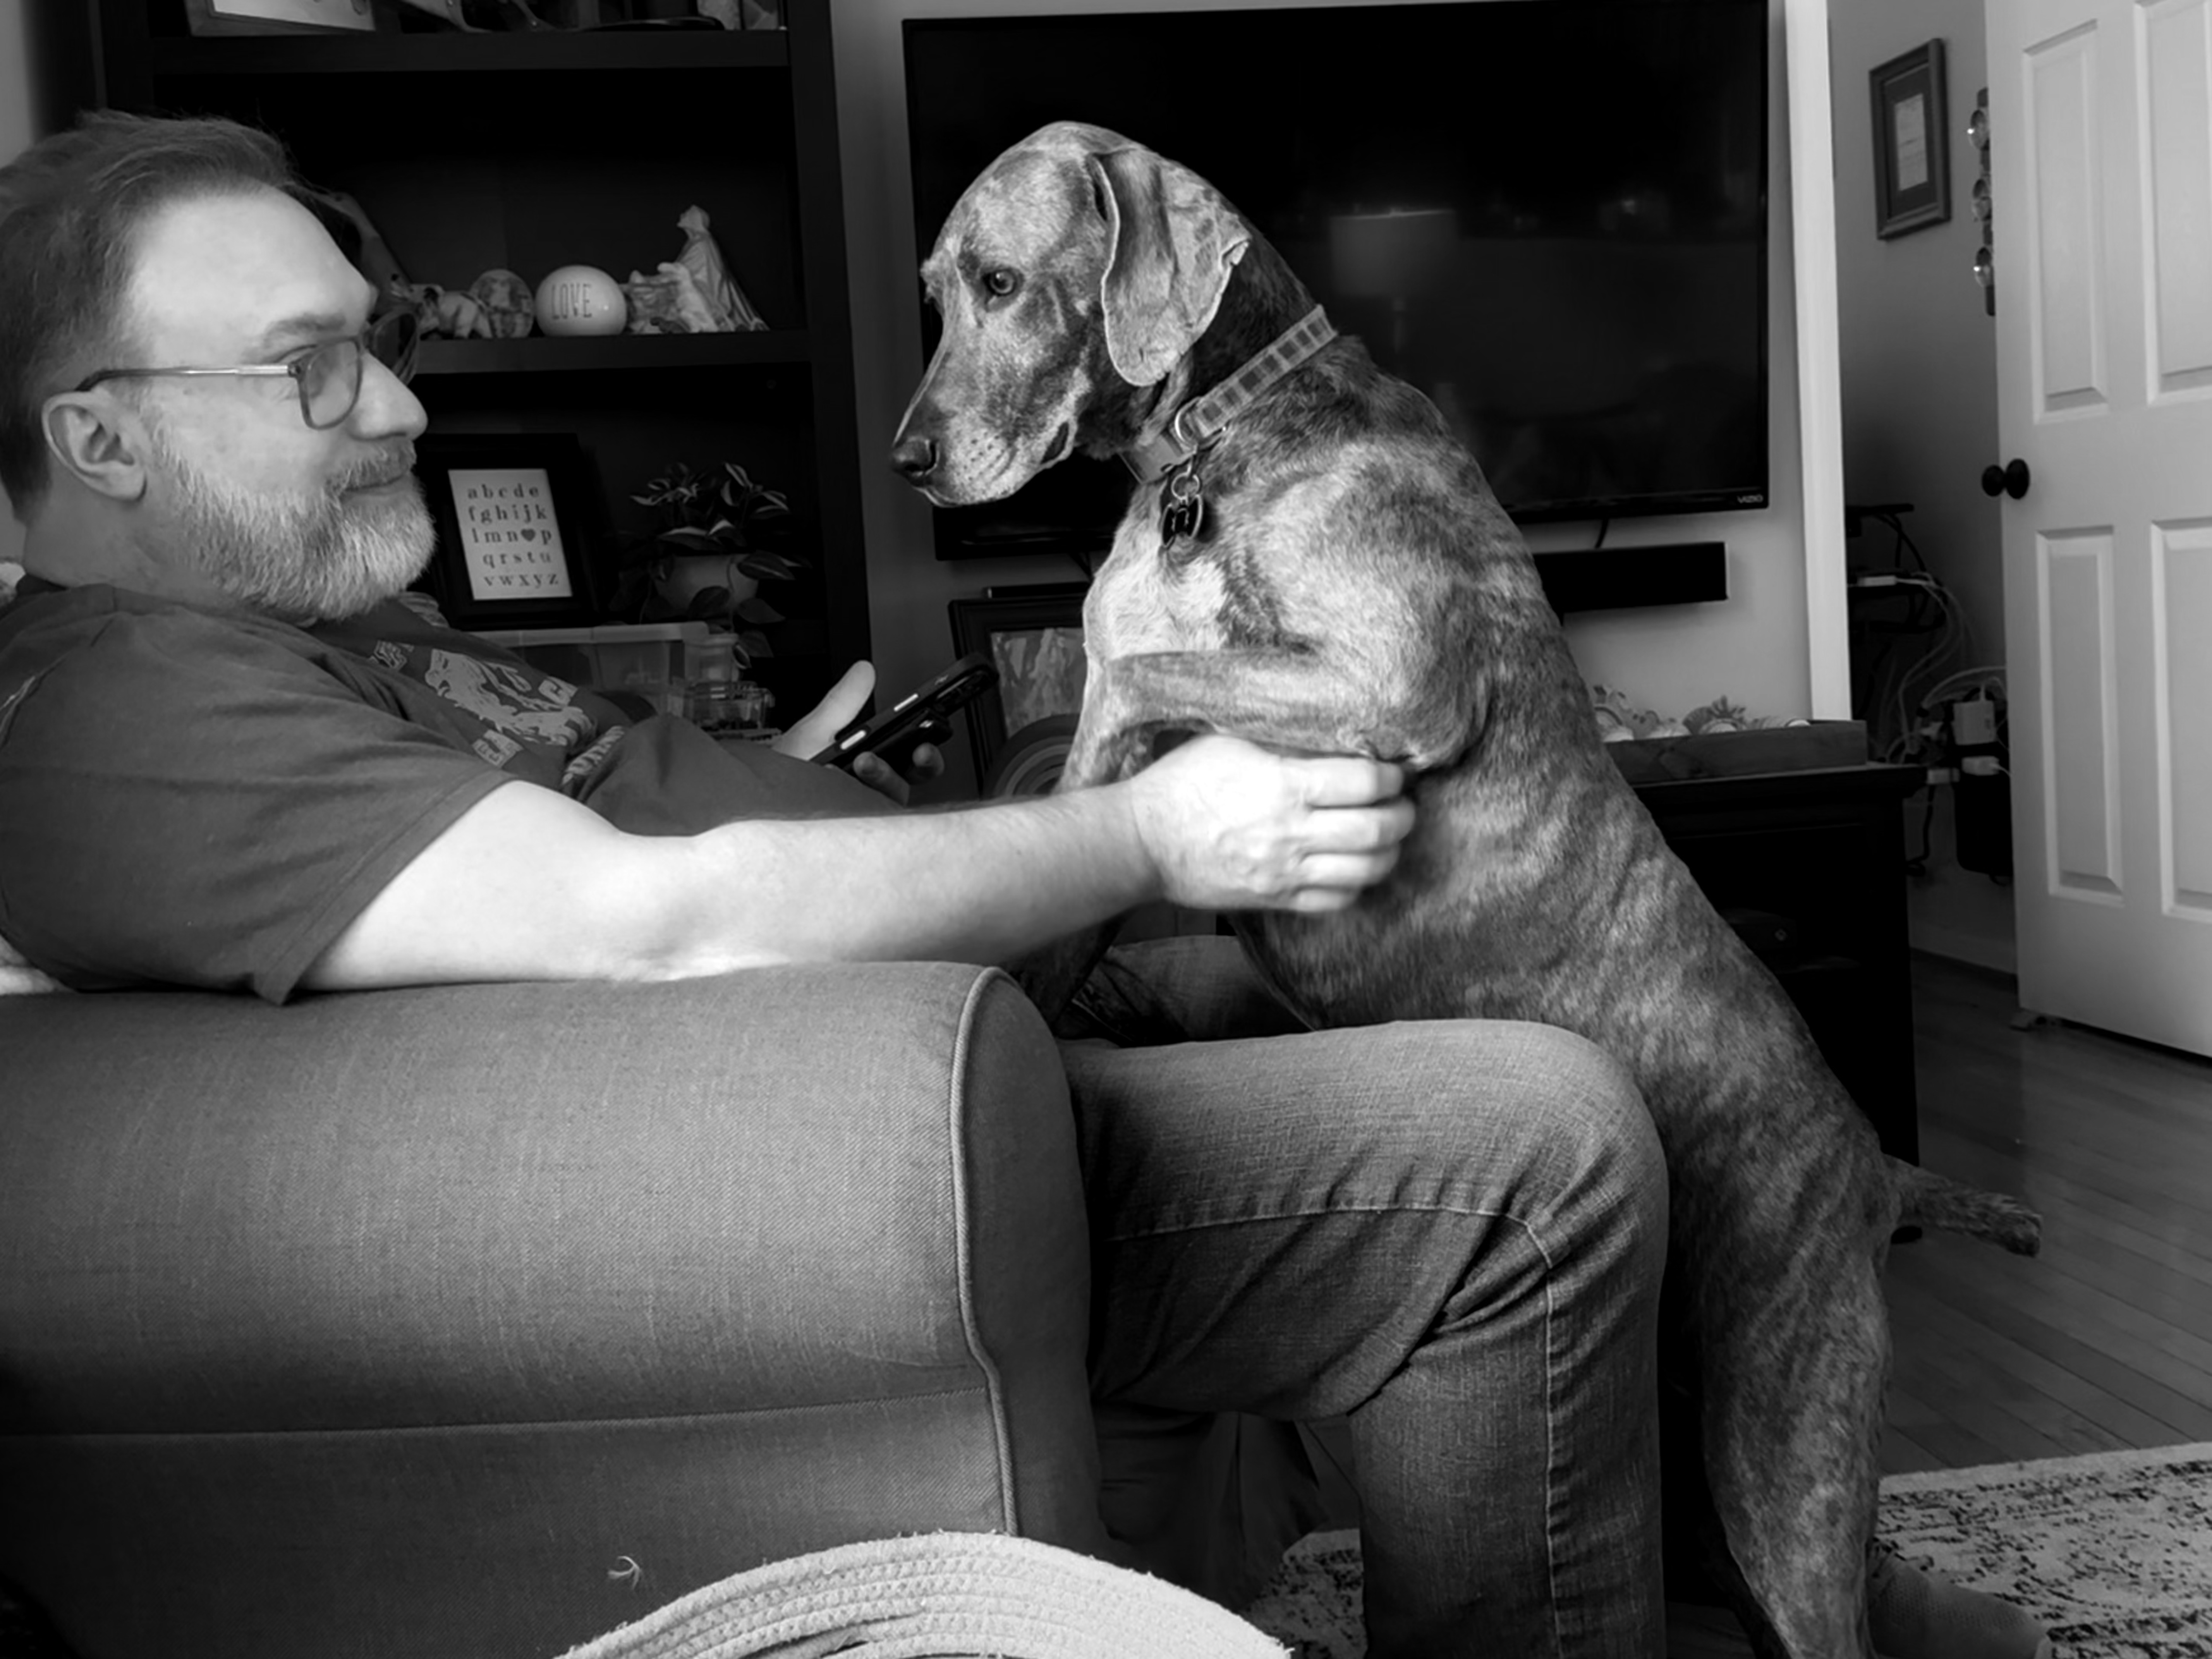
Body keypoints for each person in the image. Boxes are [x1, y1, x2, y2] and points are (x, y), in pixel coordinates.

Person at [0, 112, 2042, 1659]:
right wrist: (1154, 835)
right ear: (98, 435)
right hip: (875, 1103)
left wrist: (844, 787)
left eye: (379, 349)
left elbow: (582, 847)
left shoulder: (313, 641)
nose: (413, 403)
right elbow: (653, 930)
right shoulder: (115, 705)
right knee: (1544, 1135)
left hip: (971, 1007)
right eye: (314, 367)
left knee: (1340, 1002)